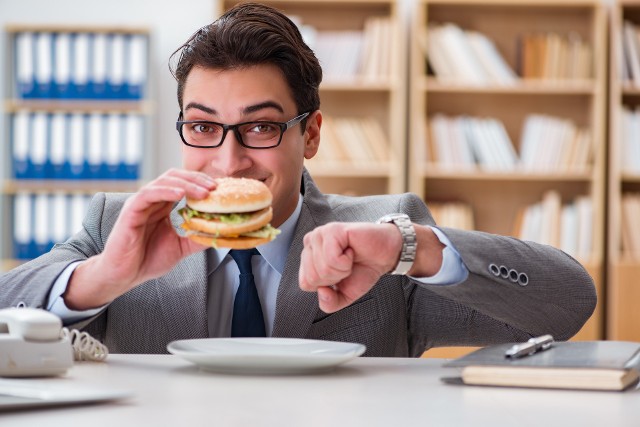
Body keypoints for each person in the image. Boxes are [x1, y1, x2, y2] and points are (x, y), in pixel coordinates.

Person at [0, 3, 596, 356]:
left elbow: (569, 304)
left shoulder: (383, 233)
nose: (229, 163)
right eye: (204, 128)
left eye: (259, 128)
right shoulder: (117, 224)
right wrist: (105, 275)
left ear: (309, 134)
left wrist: (412, 247)